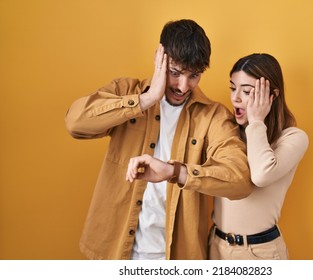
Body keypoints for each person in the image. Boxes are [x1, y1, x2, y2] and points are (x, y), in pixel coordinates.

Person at [65, 19, 252, 260]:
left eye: (194, 75)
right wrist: (147, 98)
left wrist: (174, 172)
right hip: (113, 251)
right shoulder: (126, 92)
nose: (183, 86)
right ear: (158, 58)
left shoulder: (213, 117)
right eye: (175, 73)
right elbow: (75, 123)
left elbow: (239, 180)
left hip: (176, 257)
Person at [209, 53, 309, 260]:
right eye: (232, 88)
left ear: (272, 96)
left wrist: (256, 120)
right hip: (216, 246)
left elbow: (261, 176)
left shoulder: (294, 138)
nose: (236, 98)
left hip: (259, 252)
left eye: (246, 91)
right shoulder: (226, 132)